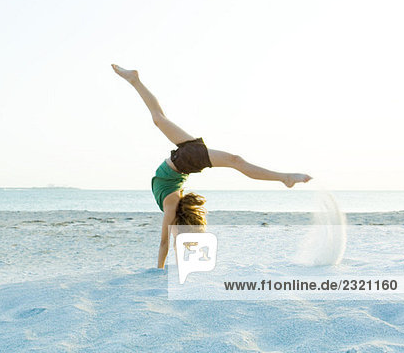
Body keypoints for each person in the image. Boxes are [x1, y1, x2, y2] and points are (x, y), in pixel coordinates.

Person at [111, 64, 312, 268]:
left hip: (185, 156)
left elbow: (170, 240)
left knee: (162, 120)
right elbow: (165, 242)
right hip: (185, 159)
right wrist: (160, 268)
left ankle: (135, 80)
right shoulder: (171, 204)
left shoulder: (173, 204)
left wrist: (177, 257)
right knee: (235, 160)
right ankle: (284, 177)